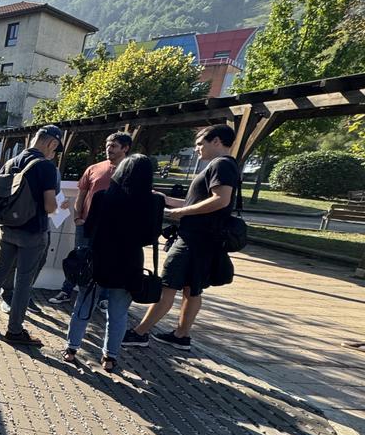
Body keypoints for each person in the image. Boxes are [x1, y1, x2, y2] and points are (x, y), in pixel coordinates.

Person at [124, 124, 241, 350]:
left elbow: (221, 200)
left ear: (216, 141)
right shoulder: (225, 165)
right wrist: (166, 200)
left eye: (200, 143)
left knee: (167, 285)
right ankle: (181, 335)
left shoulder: (221, 165)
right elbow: (201, 202)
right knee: (192, 288)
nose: (197, 149)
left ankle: (139, 333)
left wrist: (180, 212)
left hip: (193, 240)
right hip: (203, 240)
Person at [61, 154, 164, 371]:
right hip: (129, 264)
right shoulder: (155, 202)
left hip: (98, 260)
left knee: (83, 306)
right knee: (118, 314)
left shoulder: (102, 197)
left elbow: (88, 230)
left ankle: (71, 349)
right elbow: (150, 237)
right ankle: (110, 357)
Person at [0, 125, 62, 346]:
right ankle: (15, 330)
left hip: (8, 228)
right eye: (55, 148)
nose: (54, 153)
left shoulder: (11, 162)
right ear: (52, 143)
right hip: (32, 232)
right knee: (23, 282)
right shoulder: (46, 167)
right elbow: (50, 206)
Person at [47, 132, 133, 307]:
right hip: (86, 223)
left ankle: (104, 298)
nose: (109, 149)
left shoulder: (132, 171)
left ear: (125, 148)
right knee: (79, 258)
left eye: (114, 146)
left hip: (113, 228)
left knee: (107, 260)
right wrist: (78, 217)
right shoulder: (94, 168)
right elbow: (82, 194)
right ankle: (67, 290)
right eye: (108, 145)